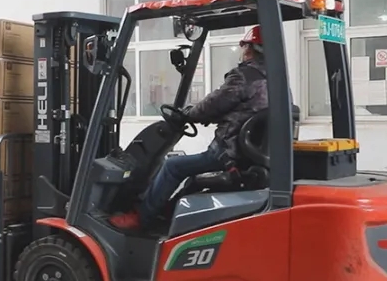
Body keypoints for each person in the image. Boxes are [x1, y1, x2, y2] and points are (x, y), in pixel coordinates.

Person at [110, 26, 270, 231]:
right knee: (189, 178)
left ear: (250, 49)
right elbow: (243, 109)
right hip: (247, 152)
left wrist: (190, 114)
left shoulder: (245, 76)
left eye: (245, 47)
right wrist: (210, 117)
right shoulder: (273, 80)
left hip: (227, 153)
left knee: (172, 166)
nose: (243, 51)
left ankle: (142, 217)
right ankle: (166, 213)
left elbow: (213, 104)